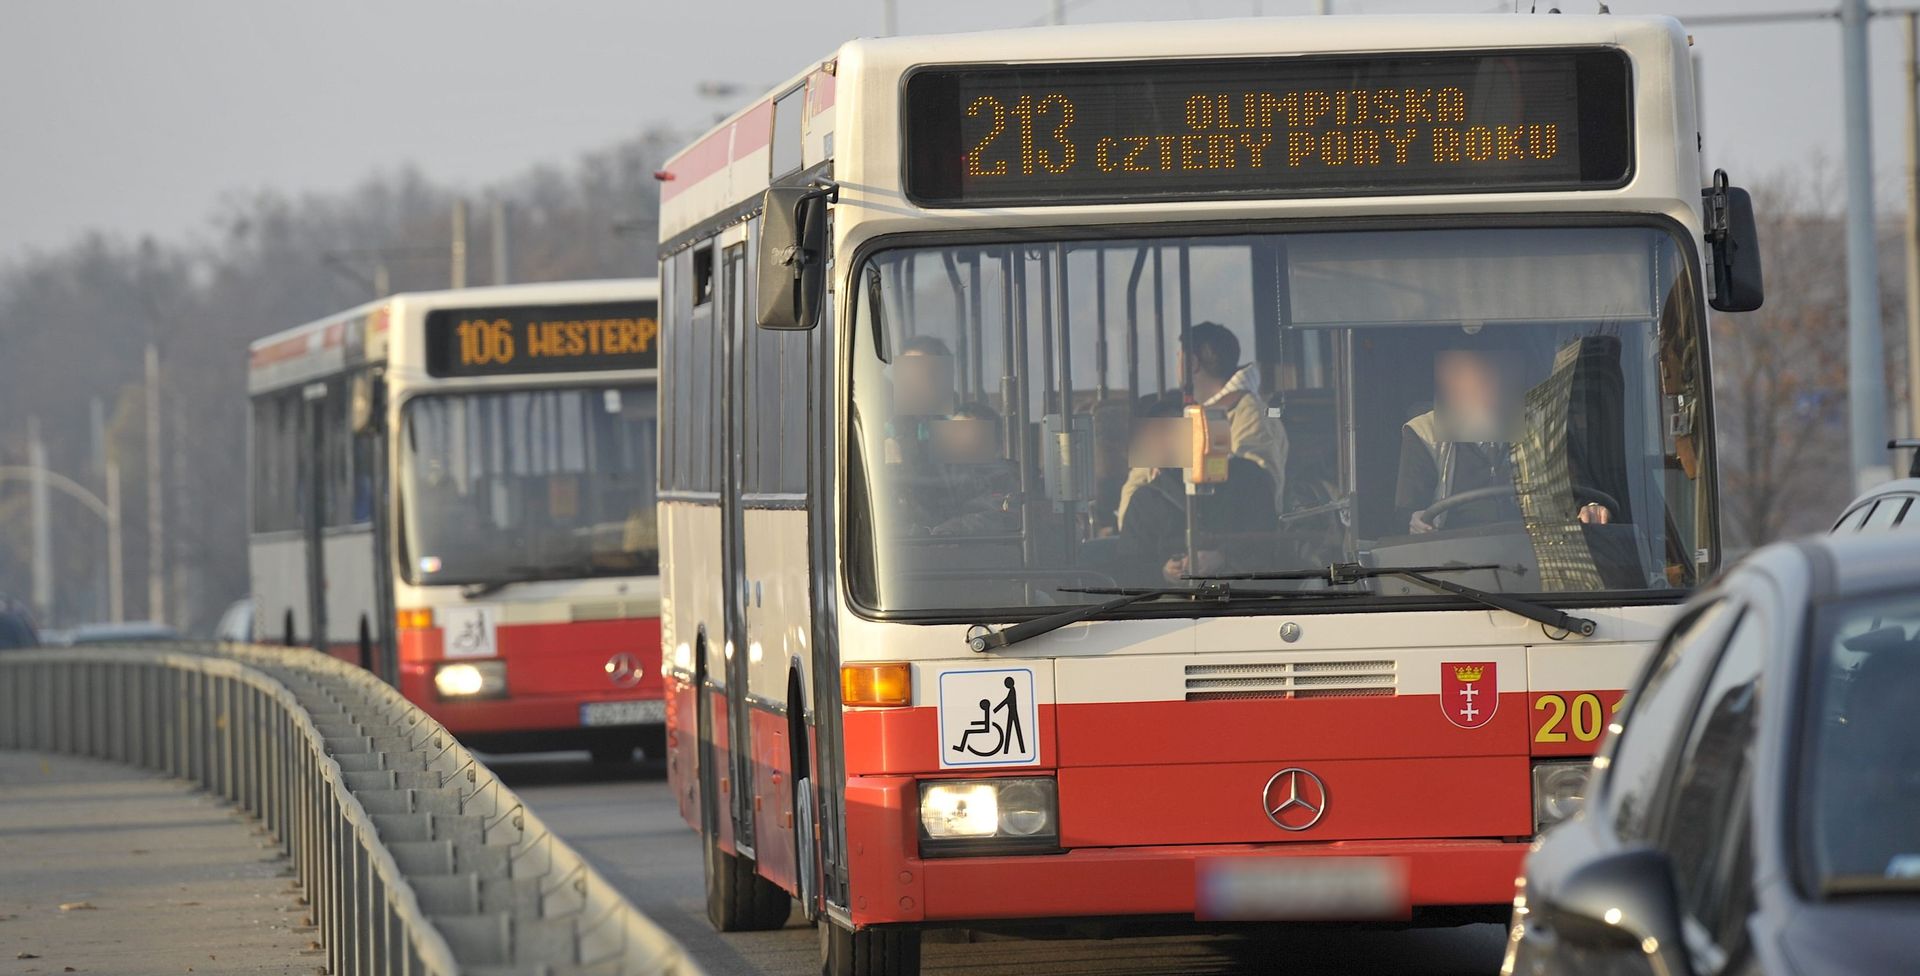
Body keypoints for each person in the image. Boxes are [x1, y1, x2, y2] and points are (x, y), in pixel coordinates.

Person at [1397, 342, 1612, 534]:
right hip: (1450, 563)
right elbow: (1407, 513)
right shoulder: (1423, 433)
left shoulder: (1547, 428)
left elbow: (1580, 491)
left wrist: (1591, 507)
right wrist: (1414, 520)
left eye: (1495, 377)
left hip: (1536, 555)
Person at [1117, 322, 1288, 528]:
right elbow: (1136, 484)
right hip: (1162, 536)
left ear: (1192, 363)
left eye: (1179, 358)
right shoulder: (1173, 413)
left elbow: (1258, 491)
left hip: (1223, 544)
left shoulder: (1250, 410)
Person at [1116, 396, 1276, 585]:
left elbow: (1272, 544)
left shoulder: (1249, 479)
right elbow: (1129, 568)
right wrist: (1164, 573)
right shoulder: (1145, 499)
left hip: (1247, 598)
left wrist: (1223, 557)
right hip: (1171, 606)